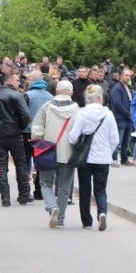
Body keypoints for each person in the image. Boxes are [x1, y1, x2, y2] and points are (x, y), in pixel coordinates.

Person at [68, 85, 118, 231]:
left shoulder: (82, 114)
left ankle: (86, 221)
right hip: (103, 158)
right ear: (100, 98)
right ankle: (102, 212)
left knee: (84, 190)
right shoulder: (108, 115)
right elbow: (114, 138)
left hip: (85, 158)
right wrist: (109, 151)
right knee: (101, 189)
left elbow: (73, 137)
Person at [31, 80, 78, 228]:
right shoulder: (77, 109)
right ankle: (61, 219)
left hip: (47, 151)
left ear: (57, 91)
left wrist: (37, 144)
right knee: (64, 186)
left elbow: (37, 128)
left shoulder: (47, 107)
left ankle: (52, 207)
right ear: (71, 92)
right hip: (69, 153)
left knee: (45, 183)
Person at [0, 72, 32, 206]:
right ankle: (24, 194)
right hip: (15, 134)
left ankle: (5, 197)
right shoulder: (17, 95)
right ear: (10, 81)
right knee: (21, 164)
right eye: (17, 80)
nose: (19, 82)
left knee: (1, 166)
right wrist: (20, 127)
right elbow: (26, 116)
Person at [23, 71, 53, 200]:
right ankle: (39, 191)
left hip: (27, 132)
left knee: (25, 161)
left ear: (34, 80)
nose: (26, 80)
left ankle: (25, 189)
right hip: (44, 133)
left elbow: (22, 113)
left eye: (28, 78)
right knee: (40, 161)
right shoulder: (51, 97)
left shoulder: (27, 95)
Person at [109, 68, 134, 167]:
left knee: (126, 141)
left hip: (128, 118)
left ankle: (124, 158)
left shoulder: (128, 87)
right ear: (121, 76)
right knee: (118, 140)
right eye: (126, 75)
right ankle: (114, 158)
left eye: (129, 76)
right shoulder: (117, 88)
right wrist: (128, 113)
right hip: (120, 118)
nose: (128, 77)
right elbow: (117, 103)